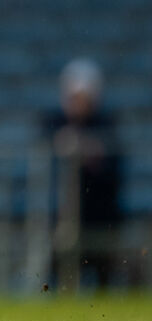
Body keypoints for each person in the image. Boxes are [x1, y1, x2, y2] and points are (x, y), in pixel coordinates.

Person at [42, 57, 124, 287]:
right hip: (62, 215)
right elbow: (47, 140)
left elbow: (114, 172)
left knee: (102, 271)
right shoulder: (54, 122)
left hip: (98, 214)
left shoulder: (105, 125)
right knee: (58, 269)